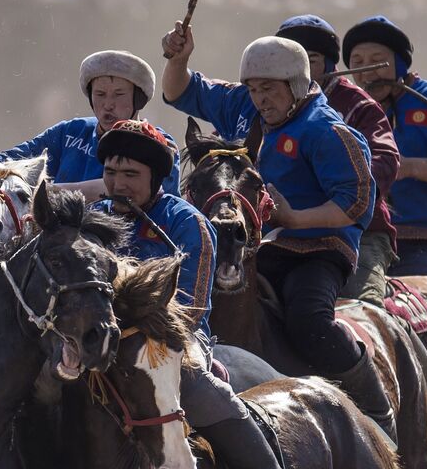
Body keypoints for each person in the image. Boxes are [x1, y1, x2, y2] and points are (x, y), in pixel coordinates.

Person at [161, 26, 395, 440]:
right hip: (262, 247)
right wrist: (178, 58)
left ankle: (378, 413)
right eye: (253, 89)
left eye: (268, 89)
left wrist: (294, 218)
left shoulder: (327, 131)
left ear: (297, 85)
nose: (259, 99)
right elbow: (182, 91)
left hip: (319, 248)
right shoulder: (245, 105)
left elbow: (356, 202)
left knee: (309, 322)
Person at [95, 119, 285, 469]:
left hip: (171, 338)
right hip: (103, 338)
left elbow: (192, 308)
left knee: (196, 384)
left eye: (131, 174)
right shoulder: (93, 219)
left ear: (157, 177)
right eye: (111, 173)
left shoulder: (188, 224)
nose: (118, 184)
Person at [343, 15, 427, 278]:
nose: (367, 70)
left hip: (423, 238)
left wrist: (406, 167)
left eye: (377, 60)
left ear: (400, 62)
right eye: (357, 62)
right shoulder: (345, 107)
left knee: (419, 303)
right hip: (359, 237)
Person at [0, 50, 180, 202]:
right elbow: (9, 160)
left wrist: (45, 191)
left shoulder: (158, 144)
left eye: (118, 94)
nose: (108, 104)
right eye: (100, 94)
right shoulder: (70, 131)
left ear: (139, 100)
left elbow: (118, 190)